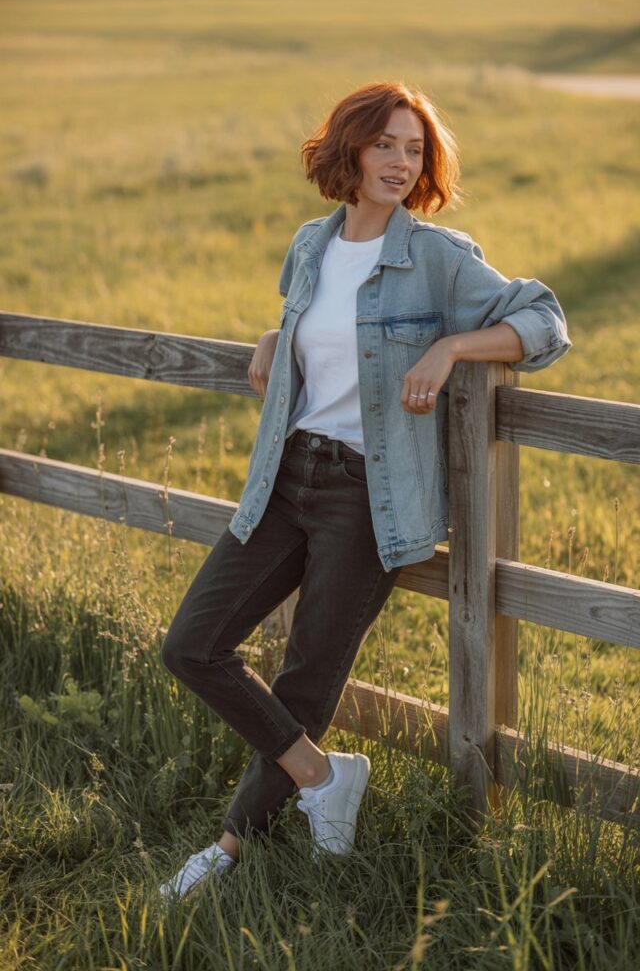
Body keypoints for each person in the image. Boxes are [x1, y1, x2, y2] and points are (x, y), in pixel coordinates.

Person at [158, 81, 572, 901]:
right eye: (385, 143)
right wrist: (279, 332)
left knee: (308, 675)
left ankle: (230, 850)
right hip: (286, 478)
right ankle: (325, 776)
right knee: (192, 645)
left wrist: (453, 346)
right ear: (349, 148)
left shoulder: (438, 256)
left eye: (414, 148)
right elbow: (316, 319)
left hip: (365, 494)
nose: (400, 161)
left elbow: (546, 321)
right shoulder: (310, 245)